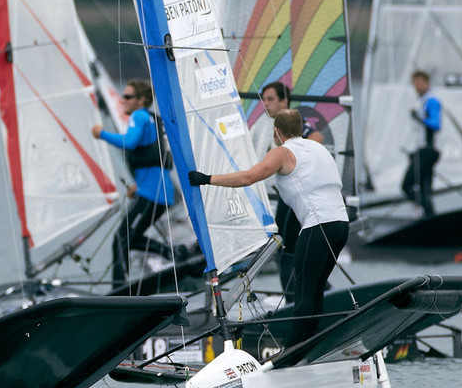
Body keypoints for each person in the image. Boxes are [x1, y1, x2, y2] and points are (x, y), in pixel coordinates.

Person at [189, 109, 348, 347]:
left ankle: (292, 350)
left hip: (318, 227)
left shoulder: (283, 152)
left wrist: (206, 179)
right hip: (341, 226)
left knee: (303, 293)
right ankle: (312, 344)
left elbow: (249, 177)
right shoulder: (319, 148)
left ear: (276, 132)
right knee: (315, 290)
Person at [93, 79, 175, 288]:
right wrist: (137, 186)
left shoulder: (139, 116)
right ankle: (175, 253)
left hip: (153, 194)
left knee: (121, 239)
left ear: (142, 100)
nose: (123, 100)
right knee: (130, 238)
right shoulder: (152, 119)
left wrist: (101, 133)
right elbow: (152, 159)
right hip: (158, 192)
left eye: (128, 97)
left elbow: (129, 142)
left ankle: (119, 289)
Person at [257, 82, 327, 282]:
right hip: (285, 196)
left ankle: (297, 297)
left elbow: (317, 136)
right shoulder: (268, 126)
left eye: (271, 99)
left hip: (296, 197)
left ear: (284, 101)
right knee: (290, 250)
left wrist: (298, 156)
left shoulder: (290, 123)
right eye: (264, 99)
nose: (265, 104)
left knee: (286, 249)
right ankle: (317, 290)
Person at [401, 70, 442, 219]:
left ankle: (428, 212)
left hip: (427, 151)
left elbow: (436, 124)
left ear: (427, 83)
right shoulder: (420, 101)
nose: (417, 86)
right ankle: (429, 216)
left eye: (420, 83)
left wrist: (419, 117)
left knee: (406, 185)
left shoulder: (431, 101)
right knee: (425, 189)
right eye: (415, 83)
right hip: (420, 151)